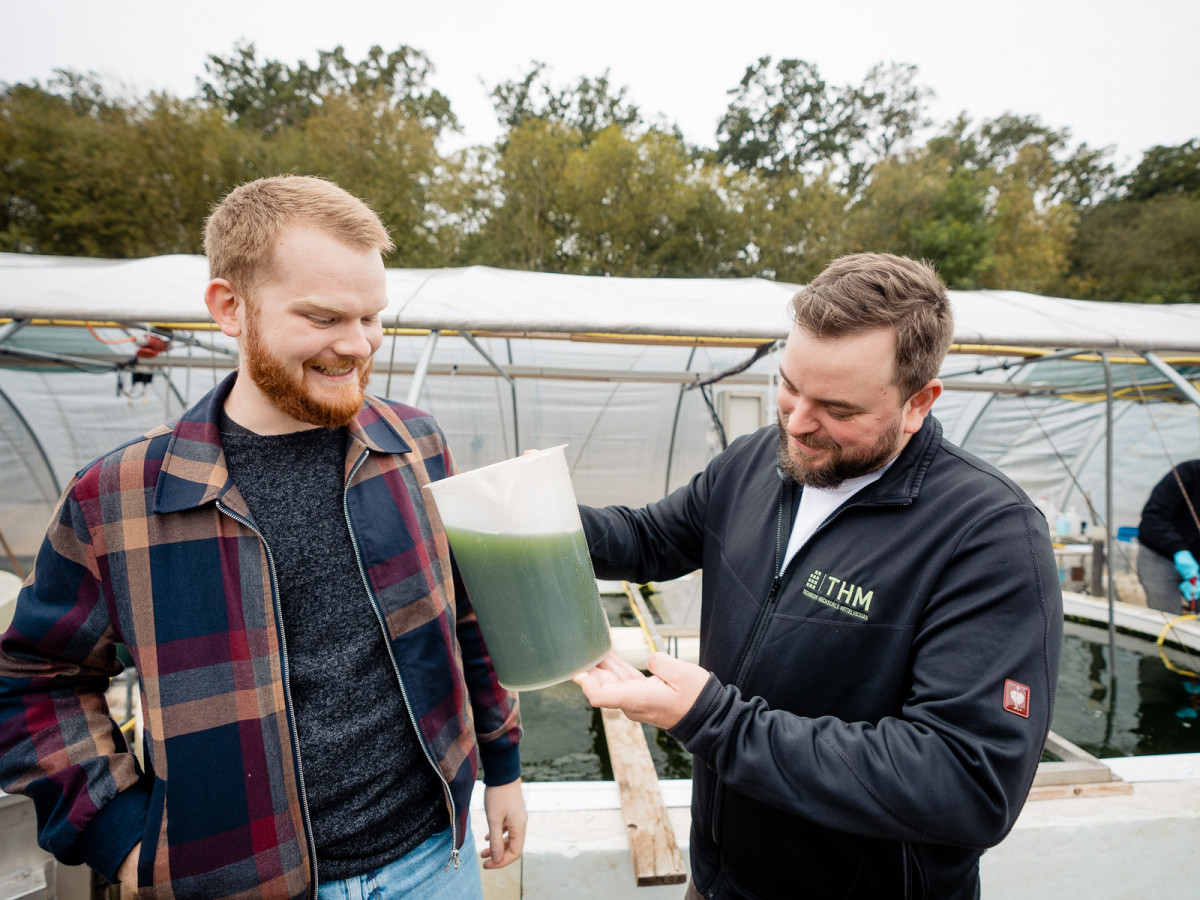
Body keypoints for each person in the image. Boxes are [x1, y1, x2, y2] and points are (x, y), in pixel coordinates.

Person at [0, 175, 525, 899]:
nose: (359, 345)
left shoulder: (415, 445)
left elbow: (472, 620)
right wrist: (118, 835)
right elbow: (34, 680)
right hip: (238, 880)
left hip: (436, 859)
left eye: (373, 318)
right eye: (323, 318)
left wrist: (503, 771)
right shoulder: (118, 498)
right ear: (230, 308)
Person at [573, 253, 1063, 900]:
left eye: (836, 407)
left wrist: (712, 718)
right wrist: (536, 520)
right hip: (722, 881)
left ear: (919, 403)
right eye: (789, 385)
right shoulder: (760, 461)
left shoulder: (988, 535)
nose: (798, 421)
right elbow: (648, 538)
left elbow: (966, 783)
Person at [1136, 460, 1200, 613]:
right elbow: (1153, 516)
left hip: (1196, 565)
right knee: (1166, 616)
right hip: (1159, 557)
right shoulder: (1187, 473)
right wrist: (1178, 550)